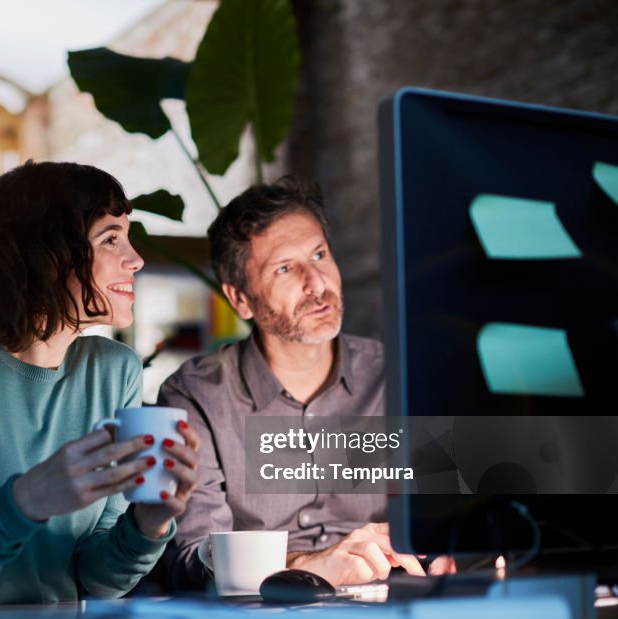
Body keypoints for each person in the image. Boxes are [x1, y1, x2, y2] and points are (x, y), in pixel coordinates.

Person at [0, 161, 199, 608]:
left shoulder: (115, 370)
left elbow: (100, 579)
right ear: (48, 255)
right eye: (111, 239)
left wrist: (150, 523)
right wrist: (27, 500)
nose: (136, 259)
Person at [158, 177, 451, 590]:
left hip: (397, 608)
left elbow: (449, 517)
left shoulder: (399, 375)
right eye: (285, 268)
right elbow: (191, 559)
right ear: (240, 298)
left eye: (319, 255)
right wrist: (312, 565)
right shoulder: (195, 397)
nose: (317, 284)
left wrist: (451, 547)